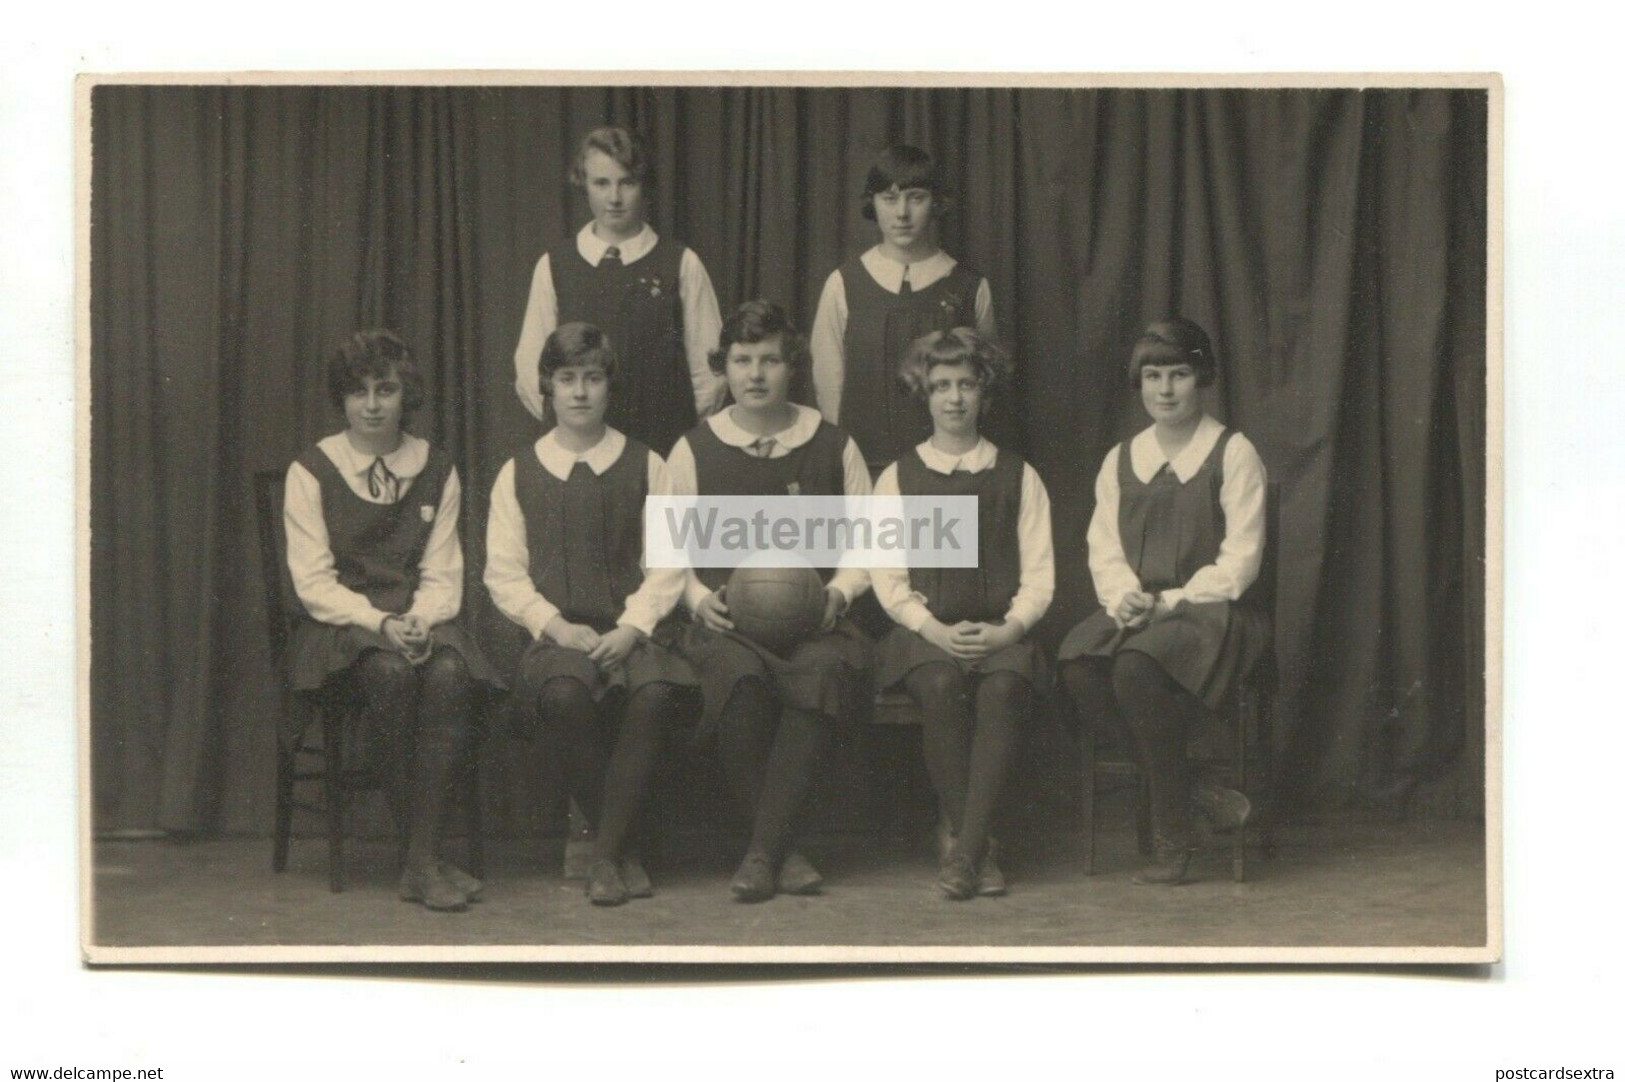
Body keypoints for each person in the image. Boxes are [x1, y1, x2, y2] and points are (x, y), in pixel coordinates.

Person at [283, 330, 502, 912]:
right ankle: (424, 859)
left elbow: (442, 572)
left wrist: (419, 622)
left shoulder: (437, 468)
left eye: (386, 389)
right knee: (390, 676)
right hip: (342, 625)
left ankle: (417, 861)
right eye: (359, 392)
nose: (373, 404)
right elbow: (314, 585)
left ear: (407, 395)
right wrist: (380, 624)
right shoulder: (311, 470)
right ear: (343, 399)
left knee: (451, 674)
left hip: (420, 618)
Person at [666, 300, 874, 902]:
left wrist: (840, 589)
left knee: (823, 672)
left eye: (770, 361)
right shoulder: (694, 449)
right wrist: (697, 597)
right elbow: (667, 551)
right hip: (726, 624)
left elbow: (870, 541)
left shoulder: (834, 445)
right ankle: (782, 850)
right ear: (724, 369)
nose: (755, 374)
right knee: (741, 681)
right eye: (741, 360)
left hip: (812, 622)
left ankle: (762, 854)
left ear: (793, 368)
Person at [486, 322, 699, 907]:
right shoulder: (519, 471)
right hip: (560, 635)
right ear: (547, 389)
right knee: (564, 697)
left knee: (654, 695)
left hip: (634, 632)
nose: (580, 392)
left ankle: (602, 855)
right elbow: (503, 574)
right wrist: (556, 626)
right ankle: (618, 849)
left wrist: (632, 628)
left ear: (609, 387)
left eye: (593, 378)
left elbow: (670, 562)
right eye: (566, 378)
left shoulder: (649, 465)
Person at [1057, 317, 1269, 885]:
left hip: (1212, 612)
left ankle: (1174, 835)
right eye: (1154, 375)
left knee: (1135, 666)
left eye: (1179, 374)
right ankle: (1195, 787)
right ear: (1139, 383)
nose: (1166, 389)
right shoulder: (1121, 458)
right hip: (1142, 610)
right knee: (1078, 664)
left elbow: (1241, 560)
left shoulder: (1233, 452)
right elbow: (1103, 547)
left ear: (1202, 379)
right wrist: (1124, 598)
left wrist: (1169, 600)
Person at [871, 329, 1054, 899]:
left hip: (1000, 633)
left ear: (985, 393)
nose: (954, 398)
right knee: (940, 684)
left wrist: (1007, 631)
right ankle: (978, 849)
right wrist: (935, 630)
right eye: (942, 386)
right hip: (927, 634)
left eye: (967, 385)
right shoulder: (899, 478)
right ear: (923, 395)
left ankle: (963, 850)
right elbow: (888, 579)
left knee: (1001, 692)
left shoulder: (1018, 475)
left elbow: (1040, 578)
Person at [512, 125, 725, 455]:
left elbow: (711, 370)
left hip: (660, 445)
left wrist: (674, 430)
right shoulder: (555, 265)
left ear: (643, 186)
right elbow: (529, 368)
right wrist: (573, 427)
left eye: (627, 182)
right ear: (584, 185)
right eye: (602, 183)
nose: (614, 198)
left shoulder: (681, 262)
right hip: (580, 449)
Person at [809, 144, 998, 470]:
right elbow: (829, 386)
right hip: (864, 465)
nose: (902, 213)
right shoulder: (843, 284)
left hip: (946, 467)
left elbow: (985, 385)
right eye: (889, 198)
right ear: (874, 203)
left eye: (916, 197)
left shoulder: (969, 287)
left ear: (936, 202)